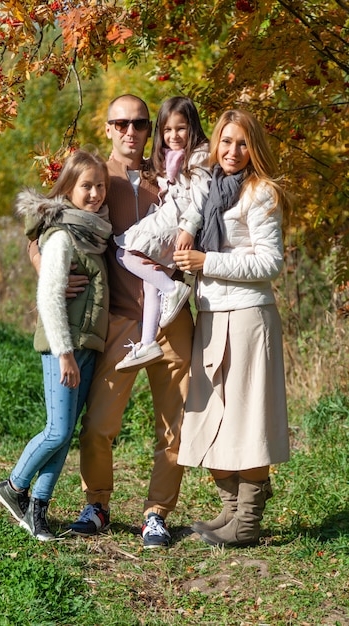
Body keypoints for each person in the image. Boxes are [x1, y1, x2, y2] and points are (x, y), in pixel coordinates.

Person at [28, 94, 194, 548]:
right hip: (119, 322)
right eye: (120, 123)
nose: (130, 132)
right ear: (107, 128)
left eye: (139, 123)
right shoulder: (96, 178)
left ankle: (157, 514)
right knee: (98, 424)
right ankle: (96, 504)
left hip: (174, 318)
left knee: (174, 426)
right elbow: (40, 233)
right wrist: (52, 277)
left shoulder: (174, 175)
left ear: (149, 129)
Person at [174, 109, 290, 547]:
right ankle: (230, 512)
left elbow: (269, 262)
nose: (232, 152)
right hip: (211, 314)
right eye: (226, 142)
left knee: (247, 416)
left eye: (242, 143)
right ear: (215, 143)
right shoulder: (210, 191)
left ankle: (247, 521)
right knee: (214, 416)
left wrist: (208, 263)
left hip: (246, 315)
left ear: (253, 147)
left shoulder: (260, 194)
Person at [0, 150, 112, 541]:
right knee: (57, 431)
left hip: (86, 346)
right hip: (64, 348)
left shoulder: (93, 233)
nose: (94, 193)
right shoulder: (63, 235)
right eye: (86, 186)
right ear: (68, 188)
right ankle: (13, 486)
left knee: (66, 432)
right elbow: (48, 298)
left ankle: (38, 507)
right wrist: (64, 353)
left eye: (100, 185)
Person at [114, 96, 210, 373]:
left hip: (179, 218)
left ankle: (173, 289)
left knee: (125, 252)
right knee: (149, 276)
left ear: (192, 127)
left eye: (180, 128)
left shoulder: (200, 155)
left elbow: (202, 198)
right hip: (171, 213)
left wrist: (188, 227)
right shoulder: (168, 156)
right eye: (167, 130)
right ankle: (148, 342)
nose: (173, 136)